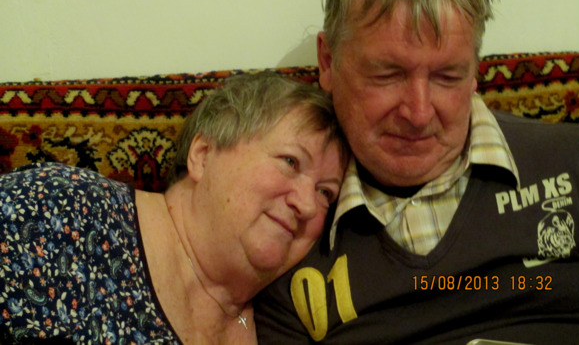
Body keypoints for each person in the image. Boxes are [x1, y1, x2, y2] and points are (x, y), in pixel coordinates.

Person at [254, 0, 579, 344]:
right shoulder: (287, 231)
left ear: (475, 73)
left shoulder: (577, 163)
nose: (418, 113)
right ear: (327, 62)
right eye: (387, 75)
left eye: (447, 77)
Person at [0, 72, 348, 344]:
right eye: (290, 161)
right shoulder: (63, 209)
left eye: (325, 193)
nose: (307, 205)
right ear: (203, 155)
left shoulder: (288, 322)